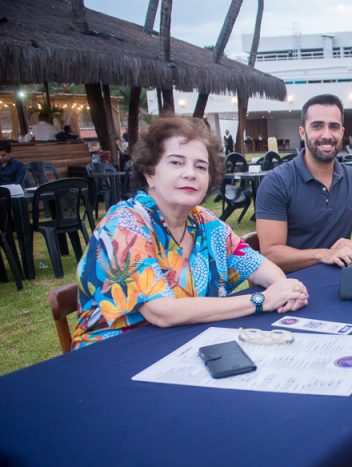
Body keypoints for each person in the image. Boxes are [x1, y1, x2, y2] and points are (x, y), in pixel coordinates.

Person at [72, 117, 308, 349]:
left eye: (200, 167)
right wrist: (263, 300)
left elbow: (260, 267)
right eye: (176, 162)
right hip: (116, 353)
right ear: (150, 173)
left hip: (187, 343)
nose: (190, 173)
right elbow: (162, 312)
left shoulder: (204, 222)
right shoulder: (125, 225)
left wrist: (284, 289)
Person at [254, 94, 352, 273]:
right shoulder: (277, 182)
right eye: (317, 126)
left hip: (339, 280)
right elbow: (271, 254)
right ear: (302, 132)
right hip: (290, 286)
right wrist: (323, 255)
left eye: (334, 127)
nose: (327, 135)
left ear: (342, 133)